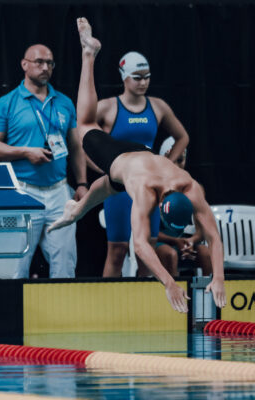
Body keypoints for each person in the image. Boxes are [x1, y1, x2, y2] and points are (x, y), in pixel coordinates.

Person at [48, 18, 226, 313]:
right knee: (85, 124)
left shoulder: (192, 189)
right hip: (121, 158)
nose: (144, 81)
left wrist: (219, 277)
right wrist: (169, 282)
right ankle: (88, 54)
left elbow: (213, 237)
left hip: (139, 160)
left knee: (110, 185)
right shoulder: (145, 191)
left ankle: (77, 211)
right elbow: (141, 245)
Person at [0, 44, 88, 278]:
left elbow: (75, 146)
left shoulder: (64, 102)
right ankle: (13, 303)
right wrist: (25, 152)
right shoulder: (7, 103)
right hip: (23, 190)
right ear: (24, 64)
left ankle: (62, 303)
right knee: (16, 265)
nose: (45, 67)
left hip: (59, 191)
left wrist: (82, 183)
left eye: (50, 63)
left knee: (65, 262)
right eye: (39, 62)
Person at [94, 51, 189, 278]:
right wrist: (101, 167)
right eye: (137, 77)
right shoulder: (107, 107)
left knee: (147, 252)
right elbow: (81, 137)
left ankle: (143, 300)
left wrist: (167, 165)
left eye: (147, 77)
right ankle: (107, 300)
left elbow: (182, 137)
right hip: (119, 188)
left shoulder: (157, 107)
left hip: (148, 188)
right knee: (117, 252)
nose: (143, 82)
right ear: (124, 77)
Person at [156, 137, 212, 277]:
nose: (177, 165)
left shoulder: (195, 188)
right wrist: (176, 241)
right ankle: (174, 291)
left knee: (206, 253)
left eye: (180, 160)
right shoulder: (154, 188)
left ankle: (207, 291)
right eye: (173, 160)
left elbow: (201, 231)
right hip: (159, 242)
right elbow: (148, 233)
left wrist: (190, 242)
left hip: (183, 242)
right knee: (170, 254)